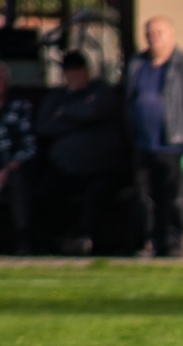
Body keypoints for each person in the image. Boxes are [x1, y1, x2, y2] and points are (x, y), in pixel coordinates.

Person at [125, 16, 183, 257]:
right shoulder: (137, 65)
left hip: (176, 143)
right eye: (150, 32)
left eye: (160, 32)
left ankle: (172, 243)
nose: (154, 37)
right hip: (143, 143)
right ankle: (147, 241)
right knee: (144, 196)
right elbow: (129, 101)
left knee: (174, 197)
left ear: (172, 35)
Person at [36, 51, 122, 255]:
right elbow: (44, 125)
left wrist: (64, 113)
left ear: (86, 71)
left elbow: (94, 111)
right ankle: (56, 242)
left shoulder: (100, 91)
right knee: (45, 194)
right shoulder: (56, 96)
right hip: (63, 169)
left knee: (97, 196)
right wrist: (80, 119)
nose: (73, 75)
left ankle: (86, 240)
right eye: (69, 72)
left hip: (100, 168)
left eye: (77, 70)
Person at [0, 61, 35, 252]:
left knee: (18, 181)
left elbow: (29, 146)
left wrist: (7, 168)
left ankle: (22, 240)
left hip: (12, 167)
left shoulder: (19, 106)